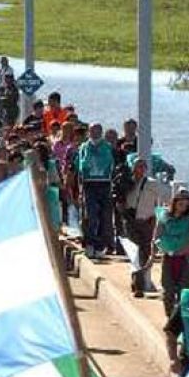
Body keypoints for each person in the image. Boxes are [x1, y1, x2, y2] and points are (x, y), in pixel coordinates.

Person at [122, 158, 171, 297]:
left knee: (144, 253)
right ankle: (139, 284)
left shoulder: (152, 184)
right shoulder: (126, 183)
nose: (140, 169)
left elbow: (166, 196)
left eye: (143, 167)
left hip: (147, 223)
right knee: (135, 253)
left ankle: (138, 282)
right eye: (138, 166)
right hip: (131, 223)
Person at [77, 123, 115, 259]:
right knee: (91, 215)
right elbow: (81, 165)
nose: (95, 133)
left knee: (104, 216)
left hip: (104, 183)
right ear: (89, 131)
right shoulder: (84, 147)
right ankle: (90, 244)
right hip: (89, 184)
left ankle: (100, 246)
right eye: (92, 130)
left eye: (98, 130)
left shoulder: (107, 147)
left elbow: (110, 163)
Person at [158, 189, 189, 317]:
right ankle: (170, 317)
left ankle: (181, 321)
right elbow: (157, 234)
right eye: (181, 202)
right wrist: (156, 249)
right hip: (168, 257)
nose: (183, 206)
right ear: (175, 202)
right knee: (168, 291)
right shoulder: (164, 215)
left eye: (186, 204)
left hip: (184, 258)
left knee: (184, 292)